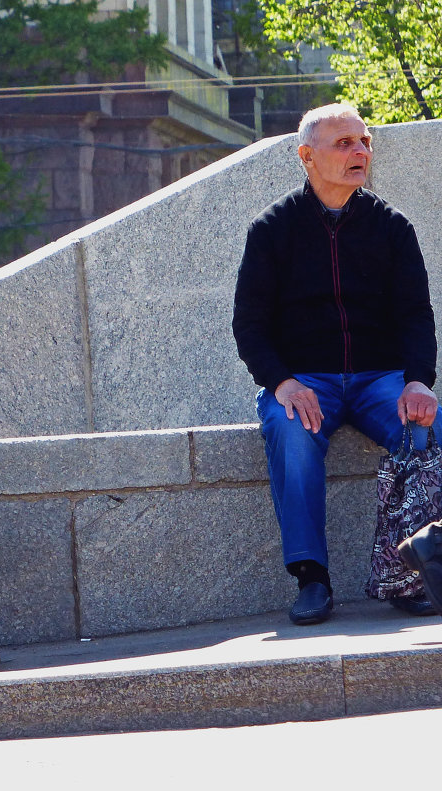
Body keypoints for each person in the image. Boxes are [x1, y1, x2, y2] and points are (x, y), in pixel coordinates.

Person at [232, 103, 438, 626]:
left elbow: (416, 314)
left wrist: (418, 380)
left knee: (428, 432)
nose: (360, 152)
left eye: (364, 141)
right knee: (290, 432)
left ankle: (415, 573)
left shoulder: (392, 226)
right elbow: (249, 324)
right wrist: (280, 383)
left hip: (381, 378)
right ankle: (312, 580)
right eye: (344, 143)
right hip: (305, 381)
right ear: (307, 156)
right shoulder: (272, 229)